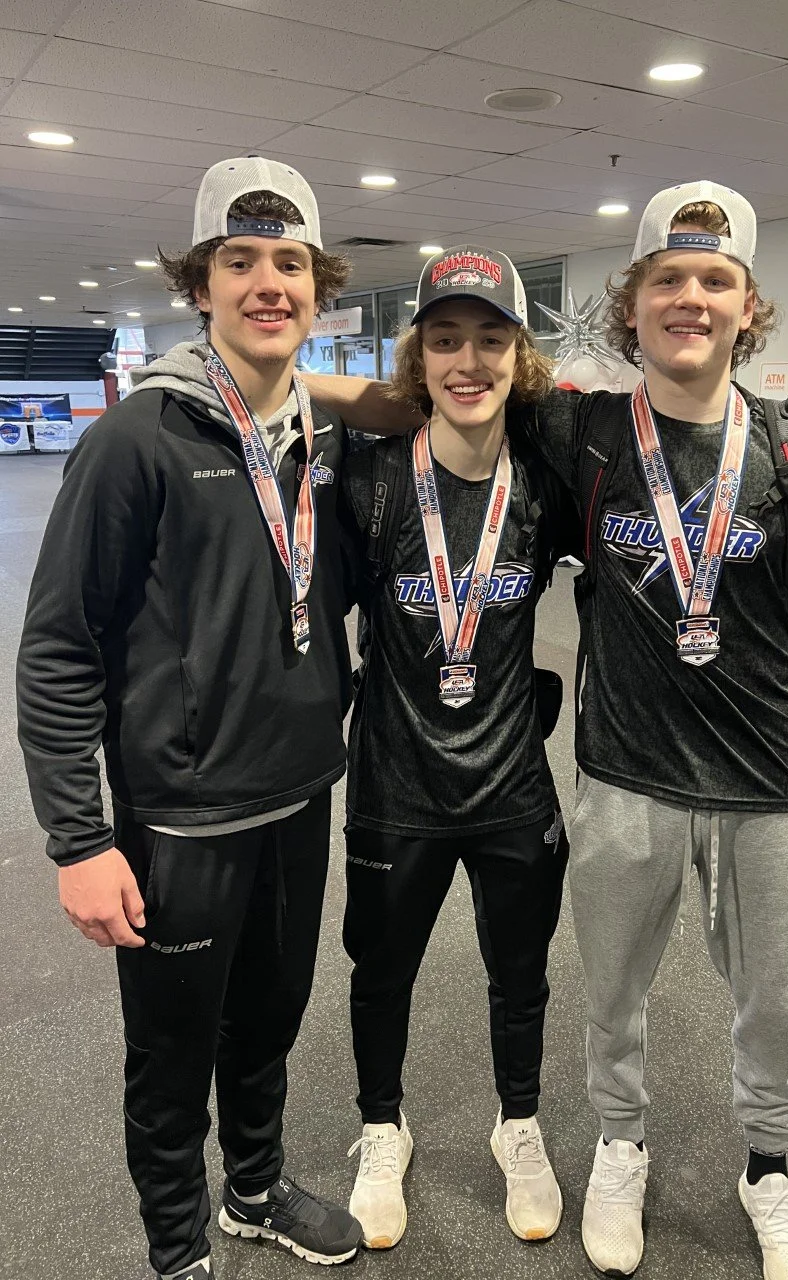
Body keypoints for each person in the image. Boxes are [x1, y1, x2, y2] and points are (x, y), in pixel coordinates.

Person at [16, 156, 365, 1280]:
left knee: (269, 1021)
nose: (269, 283)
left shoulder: (324, 439)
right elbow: (59, 646)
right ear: (200, 282)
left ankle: (253, 1188)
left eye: (290, 262)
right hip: (182, 818)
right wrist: (79, 840)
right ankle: (177, 1249)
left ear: (317, 285)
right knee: (170, 1055)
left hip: (300, 795)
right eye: (240, 260)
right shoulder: (137, 440)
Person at [527, 181, 788, 1279]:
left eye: (715, 280)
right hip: (626, 773)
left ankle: (768, 1167)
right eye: (668, 278)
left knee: (773, 1001)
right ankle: (619, 1143)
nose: (691, 297)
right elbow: (438, 392)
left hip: (769, 783)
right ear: (631, 304)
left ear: (747, 304)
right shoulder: (583, 434)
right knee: (612, 989)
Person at [337, 247, 570, 1250]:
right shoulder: (371, 479)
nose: (467, 361)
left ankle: (519, 1123)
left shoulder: (547, 480)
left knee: (521, 973)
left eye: (489, 339)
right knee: (380, 971)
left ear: (519, 354)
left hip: (513, 783)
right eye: (444, 340)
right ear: (418, 358)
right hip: (396, 785)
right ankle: (381, 1126)